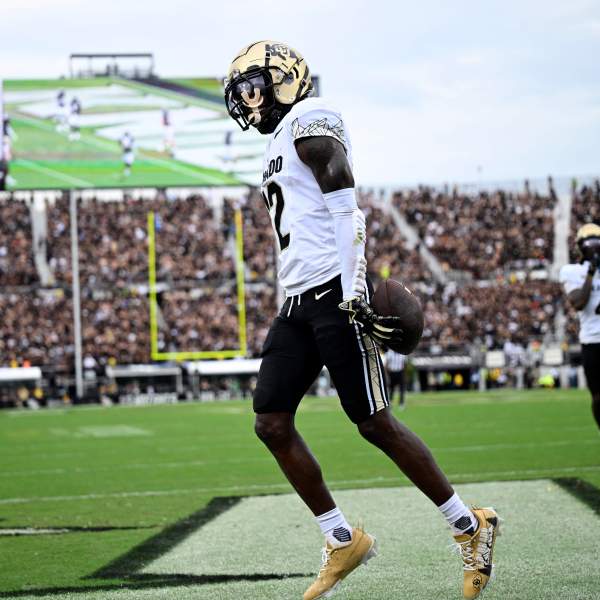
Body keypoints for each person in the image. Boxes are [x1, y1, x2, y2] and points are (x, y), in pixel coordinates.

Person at [224, 41, 500, 600]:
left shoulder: (308, 114)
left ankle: (471, 526)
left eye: (254, 86)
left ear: (283, 78)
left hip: (335, 292)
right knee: (270, 421)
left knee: (374, 423)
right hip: (297, 300)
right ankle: (342, 537)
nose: (247, 101)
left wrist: (354, 285)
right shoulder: (276, 141)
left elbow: (345, 203)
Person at [559, 223, 600, 430]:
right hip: (592, 340)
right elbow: (579, 303)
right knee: (598, 396)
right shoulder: (572, 271)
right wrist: (591, 273)